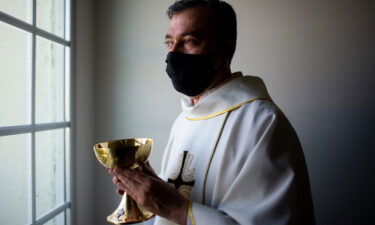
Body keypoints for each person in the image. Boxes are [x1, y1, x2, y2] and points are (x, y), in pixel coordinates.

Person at [108, 0, 315, 224]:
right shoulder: (184, 119)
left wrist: (177, 208)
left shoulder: (263, 123)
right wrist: (154, 191)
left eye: (189, 41)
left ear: (225, 49)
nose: (173, 54)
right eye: (169, 42)